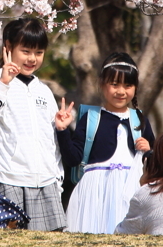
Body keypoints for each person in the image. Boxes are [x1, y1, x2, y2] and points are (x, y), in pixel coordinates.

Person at [0, 17, 66, 231]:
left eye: (39, 53)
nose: (32, 59)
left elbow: (52, 143)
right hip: (6, 178)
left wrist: (57, 179)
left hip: (45, 184)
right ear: (8, 48)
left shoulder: (44, 90)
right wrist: (3, 84)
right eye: (26, 51)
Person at [56, 53, 156, 233]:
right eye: (115, 84)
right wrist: (63, 131)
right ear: (102, 84)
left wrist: (150, 151)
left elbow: (158, 165)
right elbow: (73, 158)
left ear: (135, 88)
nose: (121, 91)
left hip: (130, 191)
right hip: (94, 192)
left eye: (128, 85)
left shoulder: (140, 120)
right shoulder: (90, 118)